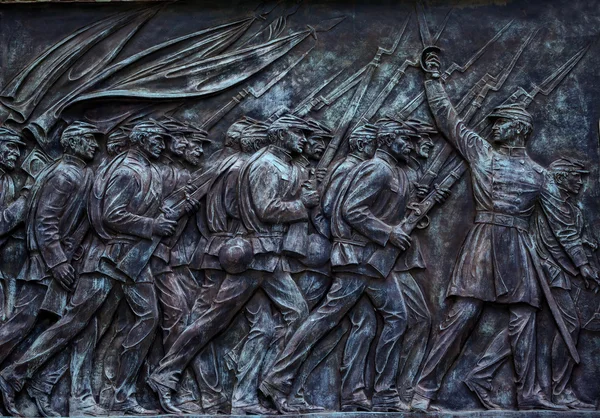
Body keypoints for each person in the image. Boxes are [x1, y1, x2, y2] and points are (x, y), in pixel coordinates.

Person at [410, 49, 598, 412]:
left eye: (501, 123)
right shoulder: (481, 153)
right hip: (482, 242)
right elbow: (449, 121)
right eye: (493, 123)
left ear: (520, 130)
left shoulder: (541, 176)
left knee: (525, 318)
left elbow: (562, 226)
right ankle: (422, 391)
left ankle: (527, 395)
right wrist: (433, 79)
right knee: (462, 316)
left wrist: (584, 265)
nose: (493, 126)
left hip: (519, 248)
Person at [0, 120, 179, 416]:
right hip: (80, 261)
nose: (95, 146)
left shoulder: (84, 171)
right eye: (89, 140)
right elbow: (49, 222)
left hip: (105, 259)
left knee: (85, 326)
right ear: (73, 142)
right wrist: (57, 260)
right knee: (57, 324)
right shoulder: (66, 174)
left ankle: (53, 386)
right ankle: (15, 377)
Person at [147, 114, 314, 414]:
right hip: (254, 255)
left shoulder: (248, 163)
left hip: (262, 255)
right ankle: (167, 375)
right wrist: (303, 204)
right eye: (298, 132)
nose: (304, 138)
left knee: (273, 321)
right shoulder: (261, 165)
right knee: (214, 320)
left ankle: (251, 393)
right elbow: (263, 209)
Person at [260, 118, 422, 412]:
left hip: (367, 261)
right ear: (387, 140)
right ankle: (279, 379)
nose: (410, 147)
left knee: (369, 320)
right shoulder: (378, 169)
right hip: (358, 259)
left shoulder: (389, 171)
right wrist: (388, 232)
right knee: (338, 318)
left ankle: (358, 393)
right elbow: (352, 210)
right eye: (406, 140)